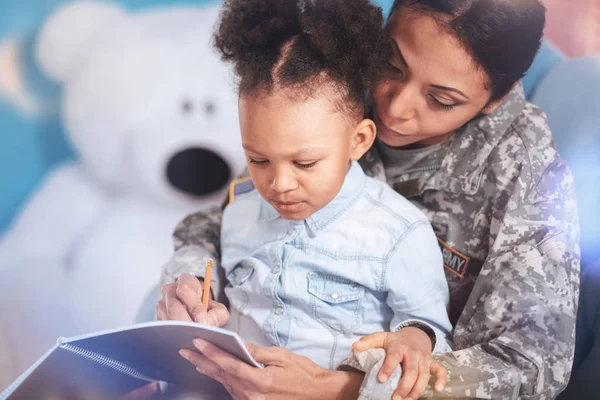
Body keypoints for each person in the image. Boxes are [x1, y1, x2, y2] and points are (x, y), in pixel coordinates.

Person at [157, 0, 580, 399]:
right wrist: (193, 278)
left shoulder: (527, 177)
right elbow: (235, 216)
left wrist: (341, 388)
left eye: (441, 100)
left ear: (496, 98)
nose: (394, 109)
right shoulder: (332, 76)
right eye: (391, 65)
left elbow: (532, 366)